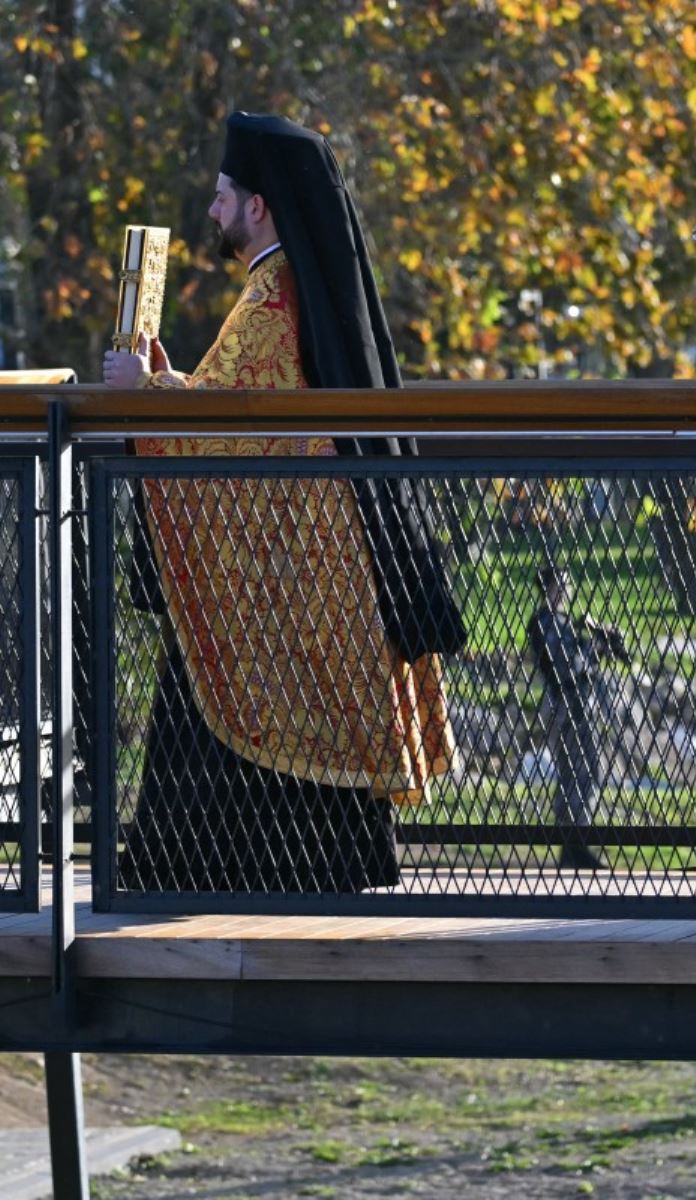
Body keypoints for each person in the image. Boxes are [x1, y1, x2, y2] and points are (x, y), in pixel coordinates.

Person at [101, 112, 466, 893]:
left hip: (288, 566)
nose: (212, 210)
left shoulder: (272, 296)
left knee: (223, 681)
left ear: (258, 206)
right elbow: (237, 407)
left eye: (223, 195)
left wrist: (144, 393)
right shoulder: (292, 287)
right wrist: (170, 383)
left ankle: (200, 871)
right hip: (307, 553)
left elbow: (227, 426)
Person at [528, 562, 631, 871]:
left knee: (584, 772)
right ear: (548, 588)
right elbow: (565, 666)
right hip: (565, 704)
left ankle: (574, 845)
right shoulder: (545, 622)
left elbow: (579, 659)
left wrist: (600, 645)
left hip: (578, 704)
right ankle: (574, 845)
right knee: (578, 772)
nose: (566, 590)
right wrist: (592, 648)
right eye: (560, 584)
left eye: (567, 584)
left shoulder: (563, 623)